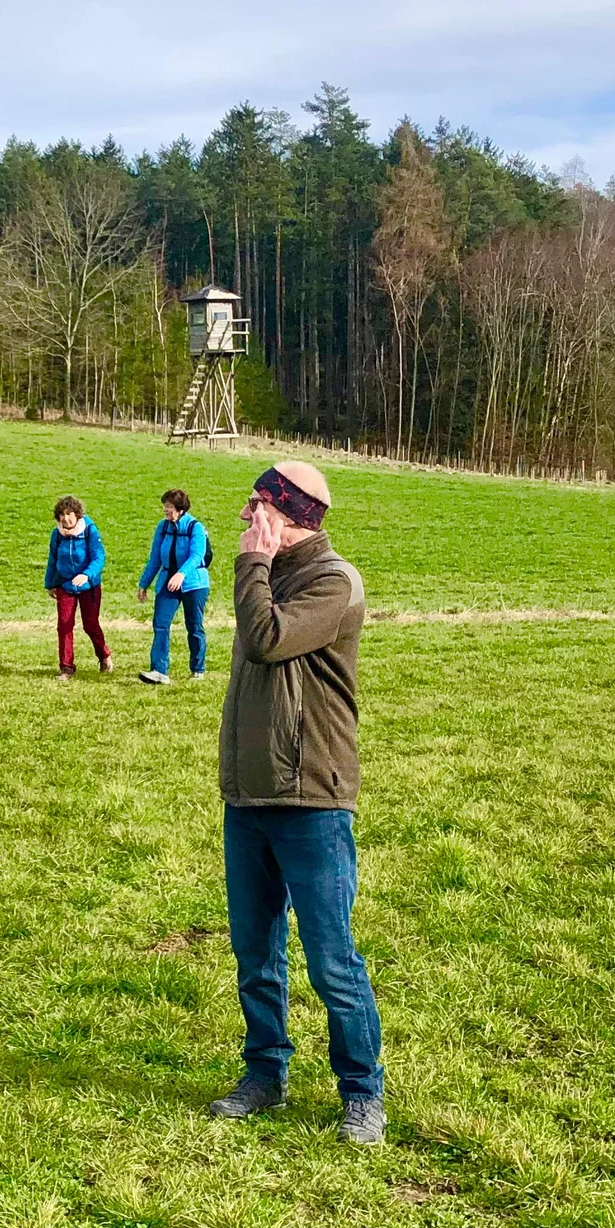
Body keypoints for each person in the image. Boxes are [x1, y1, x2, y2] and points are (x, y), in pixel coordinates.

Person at [209, 461, 385, 1145]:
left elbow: (266, 638)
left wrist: (252, 564)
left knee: (331, 956)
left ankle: (362, 1091)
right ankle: (265, 1072)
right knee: (255, 952)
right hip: (249, 794)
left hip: (313, 797)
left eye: (258, 508)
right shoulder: (271, 576)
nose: (248, 521)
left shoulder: (333, 582)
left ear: (292, 514)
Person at [136, 486, 210, 684]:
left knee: (194, 625)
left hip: (194, 583)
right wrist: (144, 584)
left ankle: (198, 668)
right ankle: (159, 671)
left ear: (180, 509)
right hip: (167, 581)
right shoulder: (163, 527)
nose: (165, 510)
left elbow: (197, 555)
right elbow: (155, 558)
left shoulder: (195, 528)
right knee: (160, 624)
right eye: (165, 506)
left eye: (169, 506)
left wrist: (181, 574)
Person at [45, 494, 111, 677]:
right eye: (62, 515)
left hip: (89, 586)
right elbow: (53, 559)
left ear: (77, 515)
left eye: (69, 513)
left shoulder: (90, 531)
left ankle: (104, 655)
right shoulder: (56, 535)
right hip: (65, 585)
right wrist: (49, 583)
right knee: (64, 625)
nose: (65, 518)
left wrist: (86, 575)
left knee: (90, 625)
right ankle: (66, 668)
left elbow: (99, 558)